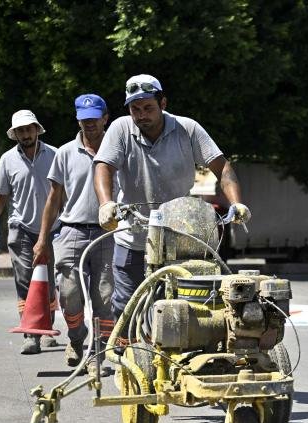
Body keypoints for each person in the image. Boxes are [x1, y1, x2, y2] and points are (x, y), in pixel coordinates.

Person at [93, 74, 251, 318]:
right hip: (133, 235)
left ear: (163, 104)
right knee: (126, 308)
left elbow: (223, 168)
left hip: (179, 239)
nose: (142, 115)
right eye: (135, 109)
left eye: (148, 108)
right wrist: (106, 203)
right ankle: (123, 349)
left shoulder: (187, 129)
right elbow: (103, 166)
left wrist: (237, 203)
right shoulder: (121, 129)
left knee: (181, 308)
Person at [32, 94, 115, 370]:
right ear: (77, 119)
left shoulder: (118, 150)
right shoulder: (65, 153)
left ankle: (98, 354)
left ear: (105, 119)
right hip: (71, 232)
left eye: (94, 118)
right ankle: (77, 337)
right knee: (69, 294)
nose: (89, 123)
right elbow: (54, 199)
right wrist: (43, 240)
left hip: (108, 234)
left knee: (104, 297)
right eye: (84, 119)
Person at [0, 110, 58, 355]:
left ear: (37, 129)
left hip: (53, 229)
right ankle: (30, 333)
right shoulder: (7, 160)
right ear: (15, 135)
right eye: (20, 131)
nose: (25, 134)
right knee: (25, 281)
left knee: (50, 282)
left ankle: (47, 329)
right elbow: (0, 196)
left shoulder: (55, 155)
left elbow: (63, 193)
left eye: (29, 129)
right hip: (20, 228)